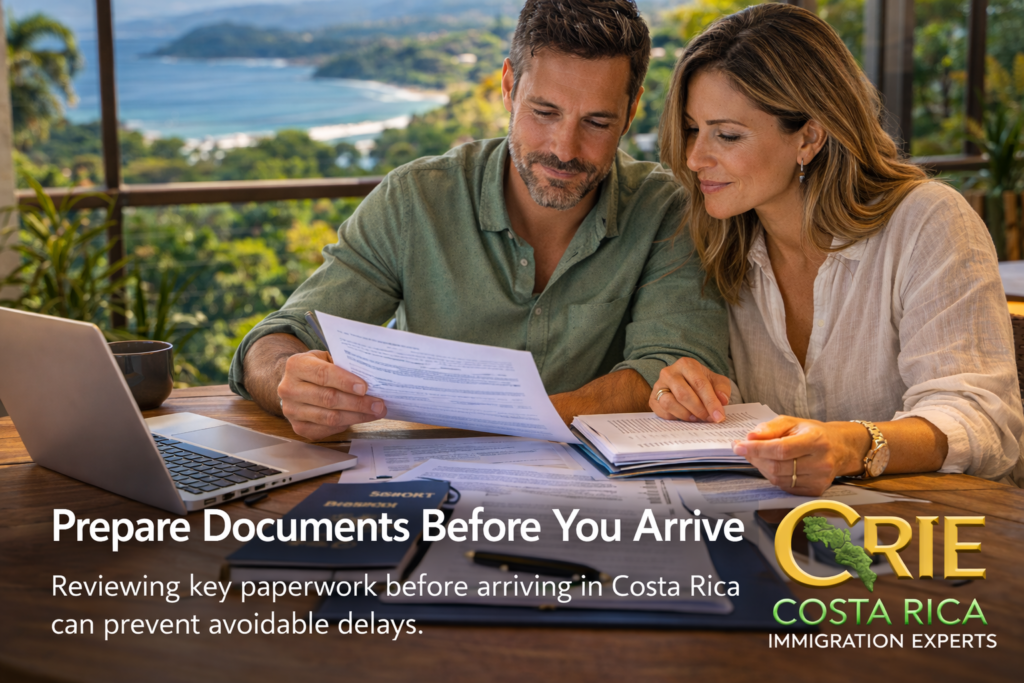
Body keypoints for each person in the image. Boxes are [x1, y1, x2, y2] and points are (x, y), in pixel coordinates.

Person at [229, 0, 731, 441]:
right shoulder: (416, 198)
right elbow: (282, 335)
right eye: (544, 112)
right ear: (509, 87)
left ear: (632, 109)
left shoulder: (668, 209)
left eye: (597, 122)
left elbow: (666, 369)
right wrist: (286, 379)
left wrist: (491, 425)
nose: (564, 149)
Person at [649, 3, 1024, 494]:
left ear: (808, 137)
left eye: (727, 135)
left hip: (936, 535)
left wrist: (851, 445)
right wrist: (693, 395)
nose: (696, 157)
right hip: (790, 532)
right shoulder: (718, 238)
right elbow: (742, 415)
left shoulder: (927, 223)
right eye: (693, 129)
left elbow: (981, 421)